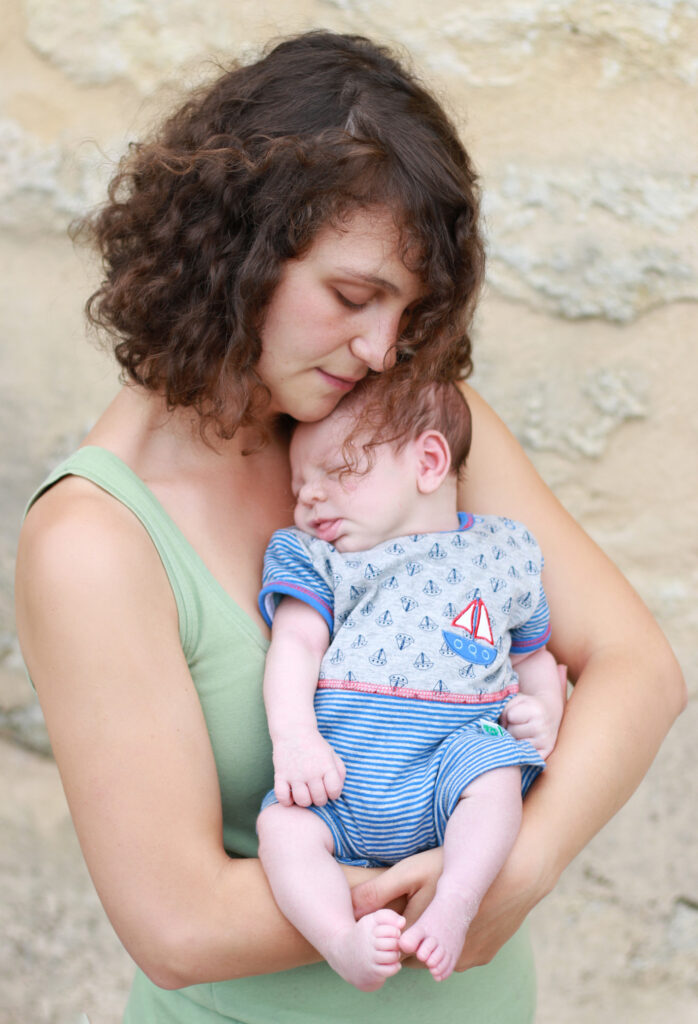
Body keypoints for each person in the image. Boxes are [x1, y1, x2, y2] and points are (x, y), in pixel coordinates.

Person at [13, 29, 684, 1024]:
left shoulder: (403, 420)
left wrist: (513, 864)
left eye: (403, 313)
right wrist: (426, 881)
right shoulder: (92, 540)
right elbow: (177, 920)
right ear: (231, 251)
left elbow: (639, 666)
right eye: (351, 296)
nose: (377, 348)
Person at [256, 375, 565, 989]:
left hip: (449, 762)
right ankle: (340, 939)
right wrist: (294, 738)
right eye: (298, 486)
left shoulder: (503, 552)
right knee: (280, 829)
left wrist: (546, 710)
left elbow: (535, 656)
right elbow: (295, 644)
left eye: (338, 472)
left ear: (428, 462)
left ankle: (456, 899)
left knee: (496, 775)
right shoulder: (319, 558)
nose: (309, 499)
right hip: (339, 777)